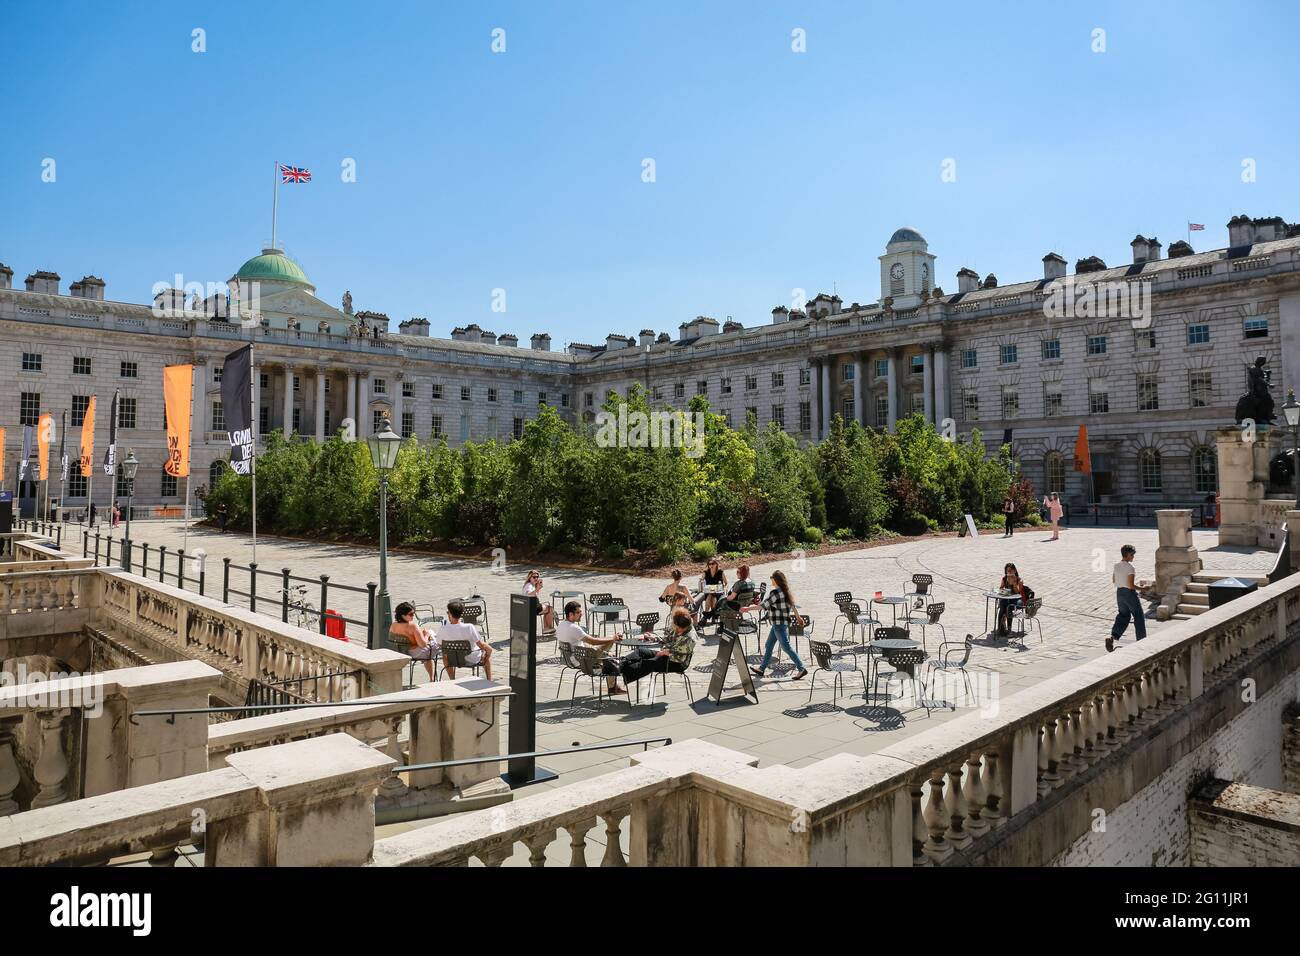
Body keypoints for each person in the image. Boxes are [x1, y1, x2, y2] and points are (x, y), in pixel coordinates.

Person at [745, 570, 808, 680]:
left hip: (779, 625)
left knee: (786, 647)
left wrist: (747, 609)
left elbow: (763, 606)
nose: (771, 580)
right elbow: (793, 607)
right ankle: (762, 669)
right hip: (779, 624)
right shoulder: (786, 592)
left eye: (772, 578)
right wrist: (798, 618)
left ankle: (801, 668)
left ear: (776, 580)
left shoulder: (775, 593)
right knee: (769, 645)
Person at [555, 600, 628, 695]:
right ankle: (612, 688)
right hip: (583, 660)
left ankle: (613, 686)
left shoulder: (561, 625)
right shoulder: (574, 628)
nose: (581, 614)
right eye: (578, 612)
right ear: (570, 614)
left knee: (609, 653)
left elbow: (587, 642)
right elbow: (593, 641)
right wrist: (612, 638)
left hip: (572, 658)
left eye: (580, 612)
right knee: (611, 654)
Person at [618, 608, 695, 687]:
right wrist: (653, 638)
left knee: (648, 663)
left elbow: (679, 656)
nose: (679, 631)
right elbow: (668, 639)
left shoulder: (689, 638)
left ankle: (621, 670)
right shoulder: (677, 625)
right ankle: (619, 664)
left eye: (681, 629)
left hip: (677, 662)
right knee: (641, 652)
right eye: (677, 628)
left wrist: (664, 653)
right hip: (667, 654)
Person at [437, 599, 493, 680]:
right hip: (471, 659)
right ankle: (489, 680)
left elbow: (439, 644)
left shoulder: (443, 628)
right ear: (461, 614)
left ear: (450, 614)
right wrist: (489, 650)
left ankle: (452, 679)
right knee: (486, 654)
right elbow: (481, 645)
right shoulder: (469, 627)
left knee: (445, 655)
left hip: (452, 660)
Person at [1107, 544, 1146, 652]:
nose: (1133, 557)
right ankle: (1142, 640)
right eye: (1133, 555)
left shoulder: (1116, 565)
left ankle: (1113, 636)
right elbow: (1131, 585)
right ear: (1128, 555)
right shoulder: (1130, 568)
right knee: (1138, 616)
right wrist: (1143, 589)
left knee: (1123, 615)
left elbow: (1114, 580)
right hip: (1129, 594)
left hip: (1119, 593)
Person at [390, 602, 440, 680]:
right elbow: (423, 644)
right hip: (413, 653)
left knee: (428, 652)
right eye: (411, 614)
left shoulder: (393, 625)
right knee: (433, 642)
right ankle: (432, 678)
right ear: (403, 615)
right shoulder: (413, 626)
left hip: (400, 651)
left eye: (414, 613)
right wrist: (426, 635)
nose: (413, 616)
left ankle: (432, 677)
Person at [995, 563, 1029, 636]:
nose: (1009, 572)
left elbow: (1017, 592)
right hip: (1007, 598)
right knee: (1002, 606)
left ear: (1015, 571)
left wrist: (1014, 583)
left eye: (1011, 570)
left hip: (1017, 600)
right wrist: (1003, 589)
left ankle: (1009, 629)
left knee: (1009, 607)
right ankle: (1001, 629)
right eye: (1008, 571)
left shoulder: (1019, 580)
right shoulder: (1004, 579)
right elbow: (1000, 588)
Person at [693, 557, 728, 622]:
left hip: (718, 592)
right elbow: (702, 580)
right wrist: (701, 580)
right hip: (709, 591)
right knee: (710, 596)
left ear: (716, 564)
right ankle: (713, 615)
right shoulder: (706, 572)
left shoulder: (720, 572)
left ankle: (706, 616)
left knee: (713, 596)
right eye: (709, 564)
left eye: (712, 564)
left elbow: (726, 583)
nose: (711, 565)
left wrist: (724, 588)